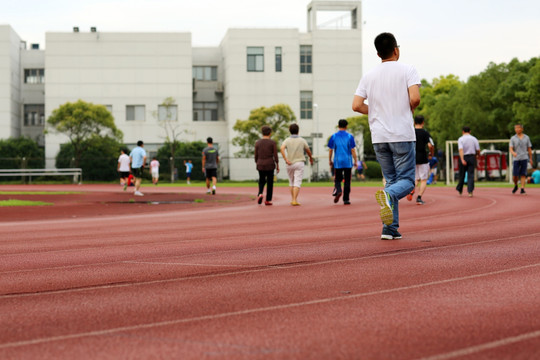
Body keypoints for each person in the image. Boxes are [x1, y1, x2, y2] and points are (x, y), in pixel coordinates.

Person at [352, 32, 421, 240]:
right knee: (407, 181)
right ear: (396, 50)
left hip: (379, 137)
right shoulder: (408, 70)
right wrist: (403, 108)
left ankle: (390, 229)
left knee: (391, 180)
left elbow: (356, 105)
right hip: (401, 133)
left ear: (378, 53)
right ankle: (389, 197)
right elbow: (415, 99)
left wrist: (375, 111)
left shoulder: (369, 76)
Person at [280, 123, 313, 206]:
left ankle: (293, 199)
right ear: (298, 130)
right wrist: (310, 158)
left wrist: (285, 159)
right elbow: (308, 150)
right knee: (297, 182)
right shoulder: (302, 140)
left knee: (291, 182)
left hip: (289, 163)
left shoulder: (287, 140)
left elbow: (282, 148)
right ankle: (295, 199)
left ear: (290, 131)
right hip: (299, 162)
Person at [328, 119, 358, 205]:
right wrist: (356, 161)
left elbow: (330, 150)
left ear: (338, 126)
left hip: (337, 162)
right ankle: (346, 199)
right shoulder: (349, 136)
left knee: (337, 179)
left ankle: (338, 190)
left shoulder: (334, 136)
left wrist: (330, 160)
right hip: (348, 162)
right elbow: (352, 150)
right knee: (347, 180)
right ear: (346, 126)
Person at [407, 115, 434, 205]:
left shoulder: (410, 132)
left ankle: (411, 190)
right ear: (423, 122)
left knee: (415, 178)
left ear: (414, 122)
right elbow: (430, 145)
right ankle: (419, 198)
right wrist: (431, 153)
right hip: (423, 157)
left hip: (412, 157)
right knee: (423, 179)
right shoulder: (425, 133)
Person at [254, 125, 280, 205]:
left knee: (261, 180)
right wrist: (277, 164)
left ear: (262, 133)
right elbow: (275, 155)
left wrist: (257, 162)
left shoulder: (257, 143)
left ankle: (260, 193)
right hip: (270, 164)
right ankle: (268, 200)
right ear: (270, 133)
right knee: (270, 182)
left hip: (260, 164)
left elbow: (256, 155)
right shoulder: (272, 143)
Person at [456, 126, 480, 197]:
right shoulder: (474, 139)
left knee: (462, 175)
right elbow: (478, 149)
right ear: (470, 131)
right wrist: (477, 155)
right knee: (471, 175)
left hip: (464, 156)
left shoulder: (461, 139)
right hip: (472, 157)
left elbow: (460, 149)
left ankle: (460, 189)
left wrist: (462, 159)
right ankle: (470, 191)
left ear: (463, 131)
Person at [510, 124, 533, 194]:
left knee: (523, 174)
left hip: (524, 157)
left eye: (518, 128)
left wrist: (531, 158)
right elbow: (510, 148)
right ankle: (516, 185)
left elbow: (529, 149)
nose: (517, 129)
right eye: (516, 128)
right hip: (516, 158)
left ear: (522, 129)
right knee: (515, 175)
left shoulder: (527, 137)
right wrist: (513, 152)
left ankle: (522, 188)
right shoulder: (513, 138)